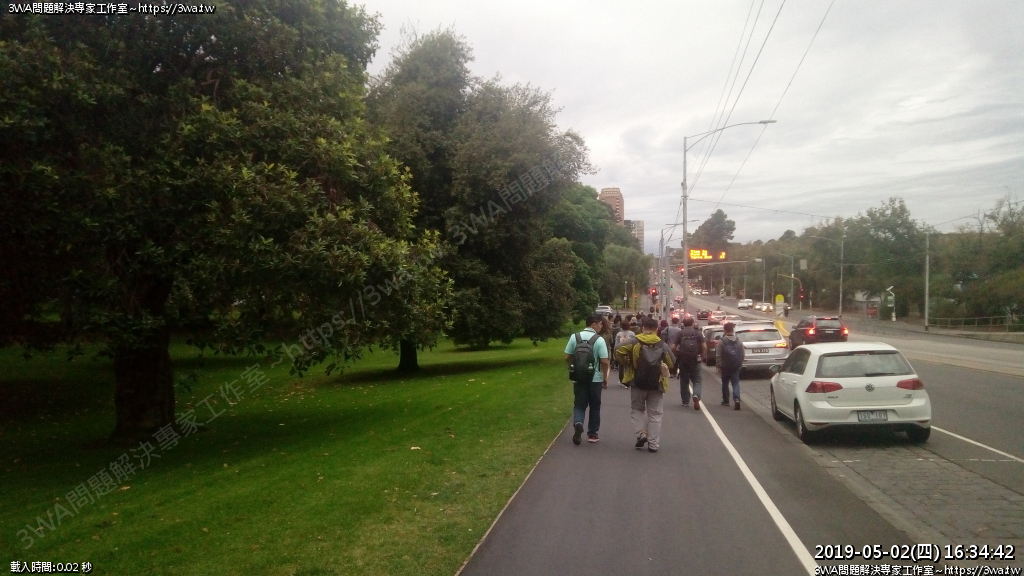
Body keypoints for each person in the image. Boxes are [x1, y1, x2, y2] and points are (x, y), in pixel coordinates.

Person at [616, 317, 674, 452]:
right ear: (656, 330)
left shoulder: (634, 341)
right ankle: (653, 444)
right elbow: (671, 362)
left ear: (643, 328)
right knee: (655, 414)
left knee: (637, 409)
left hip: (637, 382)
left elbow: (618, 350)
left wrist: (626, 362)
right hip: (656, 384)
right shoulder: (662, 344)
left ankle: (641, 433)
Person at [564, 313, 611, 444]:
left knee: (579, 404)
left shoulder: (575, 337)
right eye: (600, 324)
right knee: (595, 405)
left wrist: (572, 367)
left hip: (579, 377)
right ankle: (592, 434)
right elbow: (604, 361)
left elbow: (567, 356)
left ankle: (578, 423)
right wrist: (605, 377)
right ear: (593, 324)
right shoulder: (599, 340)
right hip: (595, 378)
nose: (601, 327)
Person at [675, 317, 706, 409]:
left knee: (684, 381)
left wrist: (678, 354)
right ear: (693, 323)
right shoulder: (698, 333)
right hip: (695, 360)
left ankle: (685, 401)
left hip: (683, 360)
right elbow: (704, 346)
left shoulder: (680, 333)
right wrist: (702, 356)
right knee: (697, 380)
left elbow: (673, 346)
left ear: (683, 324)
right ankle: (696, 394)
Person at [716, 322, 745, 410]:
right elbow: (742, 354)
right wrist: (740, 363)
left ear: (724, 330)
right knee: (735, 383)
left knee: (725, 383)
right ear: (733, 330)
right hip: (735, 365)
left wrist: (718, 365)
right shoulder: (738, 341)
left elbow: (718, 355)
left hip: (725, 366)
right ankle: (737, 399)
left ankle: (726, 401)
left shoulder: (721, 342)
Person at [614, 321, 637, 387]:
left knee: (621, 365)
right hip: (629, 351)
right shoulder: (632, 333)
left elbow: (616, 344)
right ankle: (629, 379)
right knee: (629, 366)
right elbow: (634, 342)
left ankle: (621, 379)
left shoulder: (619, 334)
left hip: (621, 351)